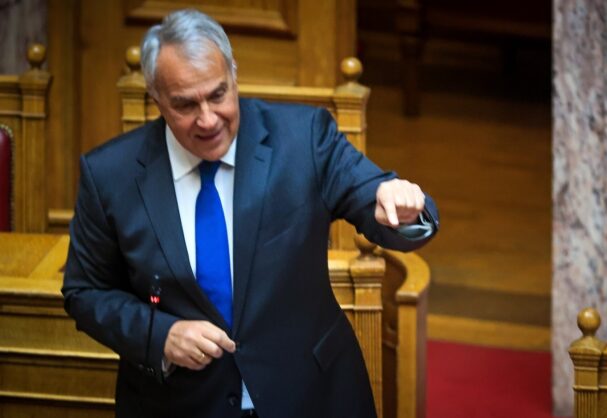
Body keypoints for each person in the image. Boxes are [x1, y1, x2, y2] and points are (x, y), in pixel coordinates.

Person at [62, 9, 438, 418]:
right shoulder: (110, 175)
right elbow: (85, 292)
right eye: (185, 105)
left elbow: (373, 195)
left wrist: (401, 207)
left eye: (217, 95)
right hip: (179, 405)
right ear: (157, 99)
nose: (208, 119)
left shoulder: (303, 138)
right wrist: (160, 336)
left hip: (309, 394)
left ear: (234, 76)